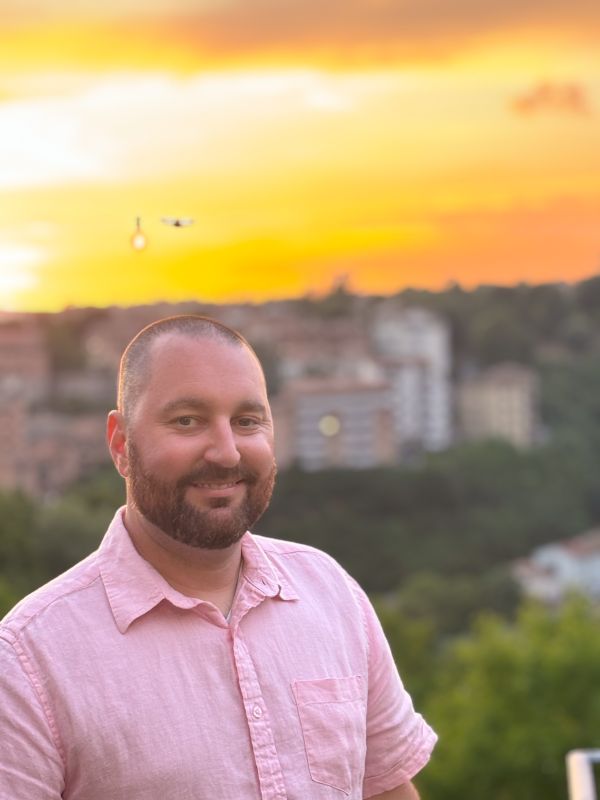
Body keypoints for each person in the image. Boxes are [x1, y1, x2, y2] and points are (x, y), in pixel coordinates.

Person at [0, 315, 436, 799]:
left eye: (247, 421)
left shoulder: (330, 594)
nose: (227, 452)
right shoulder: (28, 661)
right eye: (187, 421)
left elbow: (386, 789)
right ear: (121, 443)